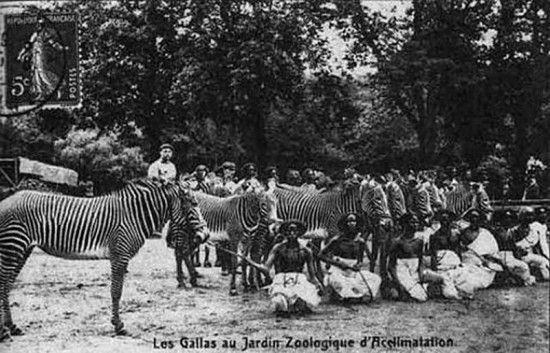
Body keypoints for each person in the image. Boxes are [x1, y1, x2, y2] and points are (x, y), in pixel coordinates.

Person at [258, 220, 323, 317]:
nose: (291, 233)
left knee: (299, 304)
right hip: (281, 279)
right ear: (285, 233)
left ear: (299, 233)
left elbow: (312, 275)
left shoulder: (306, 251)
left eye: (294, 231)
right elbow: (267, 267)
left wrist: (318, 284)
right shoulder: (278, 248)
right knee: (280, 304)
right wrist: (257, 266)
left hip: (299, 280)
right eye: (289, 231)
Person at [320, 213, 381, 303]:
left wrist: (358, 264)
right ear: (344, 224)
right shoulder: (337, 240)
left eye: (354, 221)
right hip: (338, 269)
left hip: (352, 270)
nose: (351, 224)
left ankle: (353, 294)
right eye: (349, 221)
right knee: (338, 280)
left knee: (375, 279)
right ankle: (344, 294)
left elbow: (359, 260)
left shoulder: (360, 242)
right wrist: (337, 263)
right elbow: (320, 255)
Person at [18, 17, 65, 101]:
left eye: (40, 25)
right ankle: (40, 93)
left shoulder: (46, 34)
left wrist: (61, 48)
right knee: (36, 74)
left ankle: (55, 88)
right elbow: (28, 45)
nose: (38, 26)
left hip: (42, 56)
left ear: (43, 25)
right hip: (34, 56)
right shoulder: (35, 34)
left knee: (42, 72)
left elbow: (53, 43)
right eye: (38, 24)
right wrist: (21, 53)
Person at [387, 214, 429, 302]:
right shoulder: (397, 242)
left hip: (415, 271)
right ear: (405, 224)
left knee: (438, 279)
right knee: (419, 297)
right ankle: (396, 288)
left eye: (416, 222)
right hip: (402, 271)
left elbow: (421, 261)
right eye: (412, 222)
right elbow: (391, 266)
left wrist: (421, 274)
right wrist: (398, 283)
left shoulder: (419, 241)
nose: (415, 225)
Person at [511, 207, 549, 280]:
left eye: (531, 215)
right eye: (528, 215)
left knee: (543, 263)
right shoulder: (515, 230)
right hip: (517, 256)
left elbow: (537, 245)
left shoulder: (534, 229)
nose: (530, 218)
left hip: (529, 255)